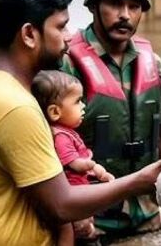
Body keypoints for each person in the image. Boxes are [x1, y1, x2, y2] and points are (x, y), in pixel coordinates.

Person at [0, 0, 161, 246]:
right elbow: (62, 204)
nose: (68, 37)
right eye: (61, 27)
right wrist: (138, 182)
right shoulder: (14, 106)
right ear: (29, 34)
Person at [61, 0, 161, 242]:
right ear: (93, 7)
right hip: (92, 214)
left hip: (147, 214)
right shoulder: (66, 63)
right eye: (115, 4)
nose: (125, 15)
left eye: (134, 6)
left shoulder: (153, 62)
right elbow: (51, 145)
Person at [32, 70, 115, 245]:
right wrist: (91, 164)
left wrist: (100, 172)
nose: (84, 105)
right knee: (84, 231)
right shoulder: (60, 136)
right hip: (73, 201)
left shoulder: (67, 132)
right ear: (55, 112)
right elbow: (75, 164)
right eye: (77, 101)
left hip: (78, 197)